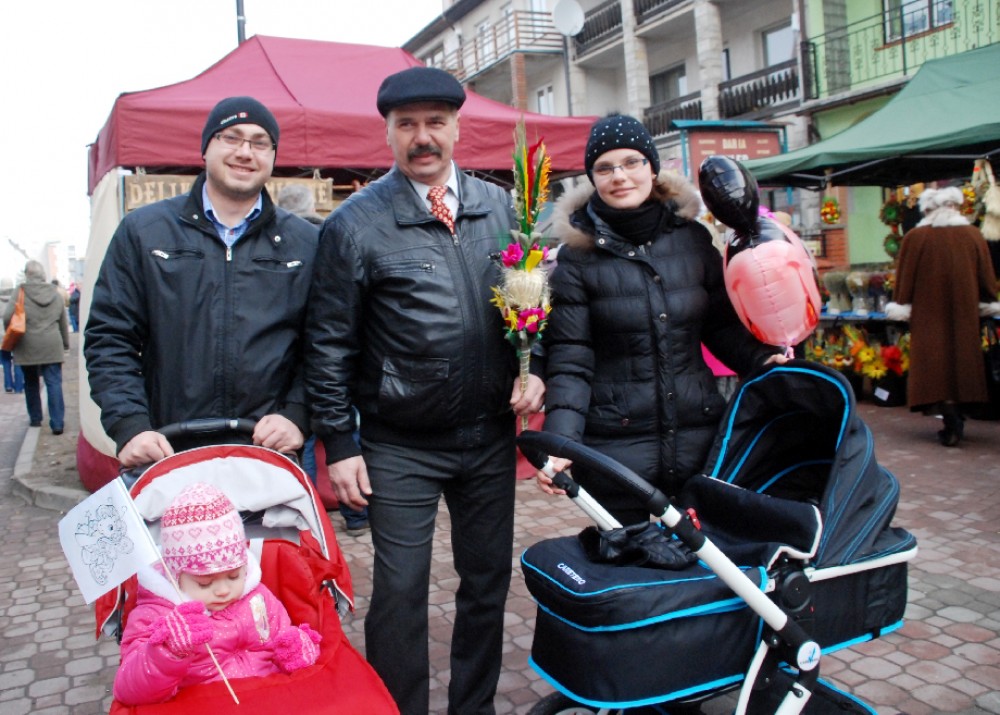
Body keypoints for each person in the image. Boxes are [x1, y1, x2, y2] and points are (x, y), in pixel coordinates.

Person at [304, 66, 544, 715]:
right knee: (401, 592)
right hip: (399, 444)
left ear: (457, 128)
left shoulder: (505, 209)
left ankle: (474, 707)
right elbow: (328, 344)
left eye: (436, 122)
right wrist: (340, 443)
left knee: (487, 583)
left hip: (488, 437)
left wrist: (536, 365)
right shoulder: (355, 225)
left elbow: (535, 304)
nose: (423, 137)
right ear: (387, 133)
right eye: (406, 125)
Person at [536, 114, 785, 525]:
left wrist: (762, 358)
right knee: (629, 558)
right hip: (615, 446)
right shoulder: (577, 259)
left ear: (652, 168)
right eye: (605, 167)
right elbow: (571, 358)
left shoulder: (693, 240)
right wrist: (561, 442)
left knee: (708, 557)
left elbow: (721, 327)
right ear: (592, 178)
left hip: (698, 435)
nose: (619, 176)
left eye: (631, 162)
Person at [85, 96, 318, 467]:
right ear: (206, 146)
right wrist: (130, 424)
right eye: (231, 137)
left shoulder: (306, 243)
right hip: (167, 447)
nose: (245, 152)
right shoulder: (144, 232)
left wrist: (297, 414)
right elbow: (110, 338)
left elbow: (325, 343)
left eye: (260, 143)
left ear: (273, 156)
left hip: (270, 451)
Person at [113, 482, 320, 705]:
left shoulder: (258, 597)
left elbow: (283, 637)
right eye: (205, 583)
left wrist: (297, 651)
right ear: (176, 576)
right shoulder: (156, 615)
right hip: (205, 704)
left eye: (234, 576)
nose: (223, 591)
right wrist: (167, 652)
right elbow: (127, 690)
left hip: (268, 697)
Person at [275, 183, 370, 534]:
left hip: (296, 362)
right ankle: (357, 515)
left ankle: (309, 522)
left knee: (304, 442)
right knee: (345, 436)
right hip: (339, 359)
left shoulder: (280, 242)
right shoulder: (334, 234)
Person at [890, 186, 999, 446]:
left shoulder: (915, 238)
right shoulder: (972, 235)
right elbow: (987, 276)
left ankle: (949, 417)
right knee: (962, 362)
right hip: (965, 314)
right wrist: (989, 301)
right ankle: (957, 414)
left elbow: (904, 278)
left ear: (927, 209)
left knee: (935, 365)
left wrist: (902, 304)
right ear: (955, 206)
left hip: (927, 316)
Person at [3, 261, 69, 433]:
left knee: (31, 382)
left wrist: (11, 333)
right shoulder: (55, 293)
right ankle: (57, 423)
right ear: (43, 275)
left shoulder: (20, 292)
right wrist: (65, 344)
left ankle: (35, 419)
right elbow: (63, 321)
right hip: (52, 344)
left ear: (27, 274)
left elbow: (8, 316)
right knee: (54, 383)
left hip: (27, 344)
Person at [1, 276, 25, 394]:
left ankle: (8, 385)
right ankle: (19, 386)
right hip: (15, 333)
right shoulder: (17, 299)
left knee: (5, 361)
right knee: (17, 360)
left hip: (1, 336)